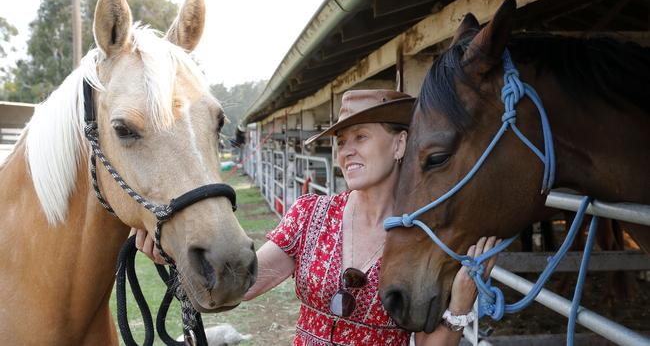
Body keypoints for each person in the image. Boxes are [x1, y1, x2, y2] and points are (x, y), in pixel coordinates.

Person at [134, 89, 500, 345]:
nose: (347, 151)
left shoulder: (422, 238)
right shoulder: (311, 215)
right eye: (341, 142)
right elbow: (245, 284)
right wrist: (177, 253)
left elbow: (428, 345)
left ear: (400, 144)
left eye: (360, 136)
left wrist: (461, 303)